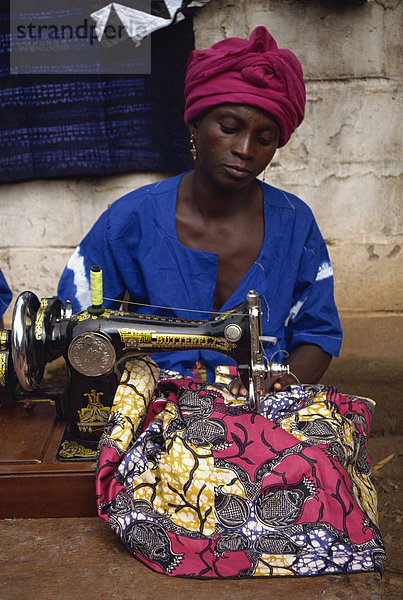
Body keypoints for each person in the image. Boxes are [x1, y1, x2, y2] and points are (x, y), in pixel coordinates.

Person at [58, 27, 384, 579]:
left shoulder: (295, 223)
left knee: (320, 466)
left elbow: (318, 334)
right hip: (158, 408)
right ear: (195, 123)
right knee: (189, 474)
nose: (244, 150)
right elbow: (82, 322)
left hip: (264, 402)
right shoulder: (129, 221)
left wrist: (278, 387)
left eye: (265, 136)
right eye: (229, 127)